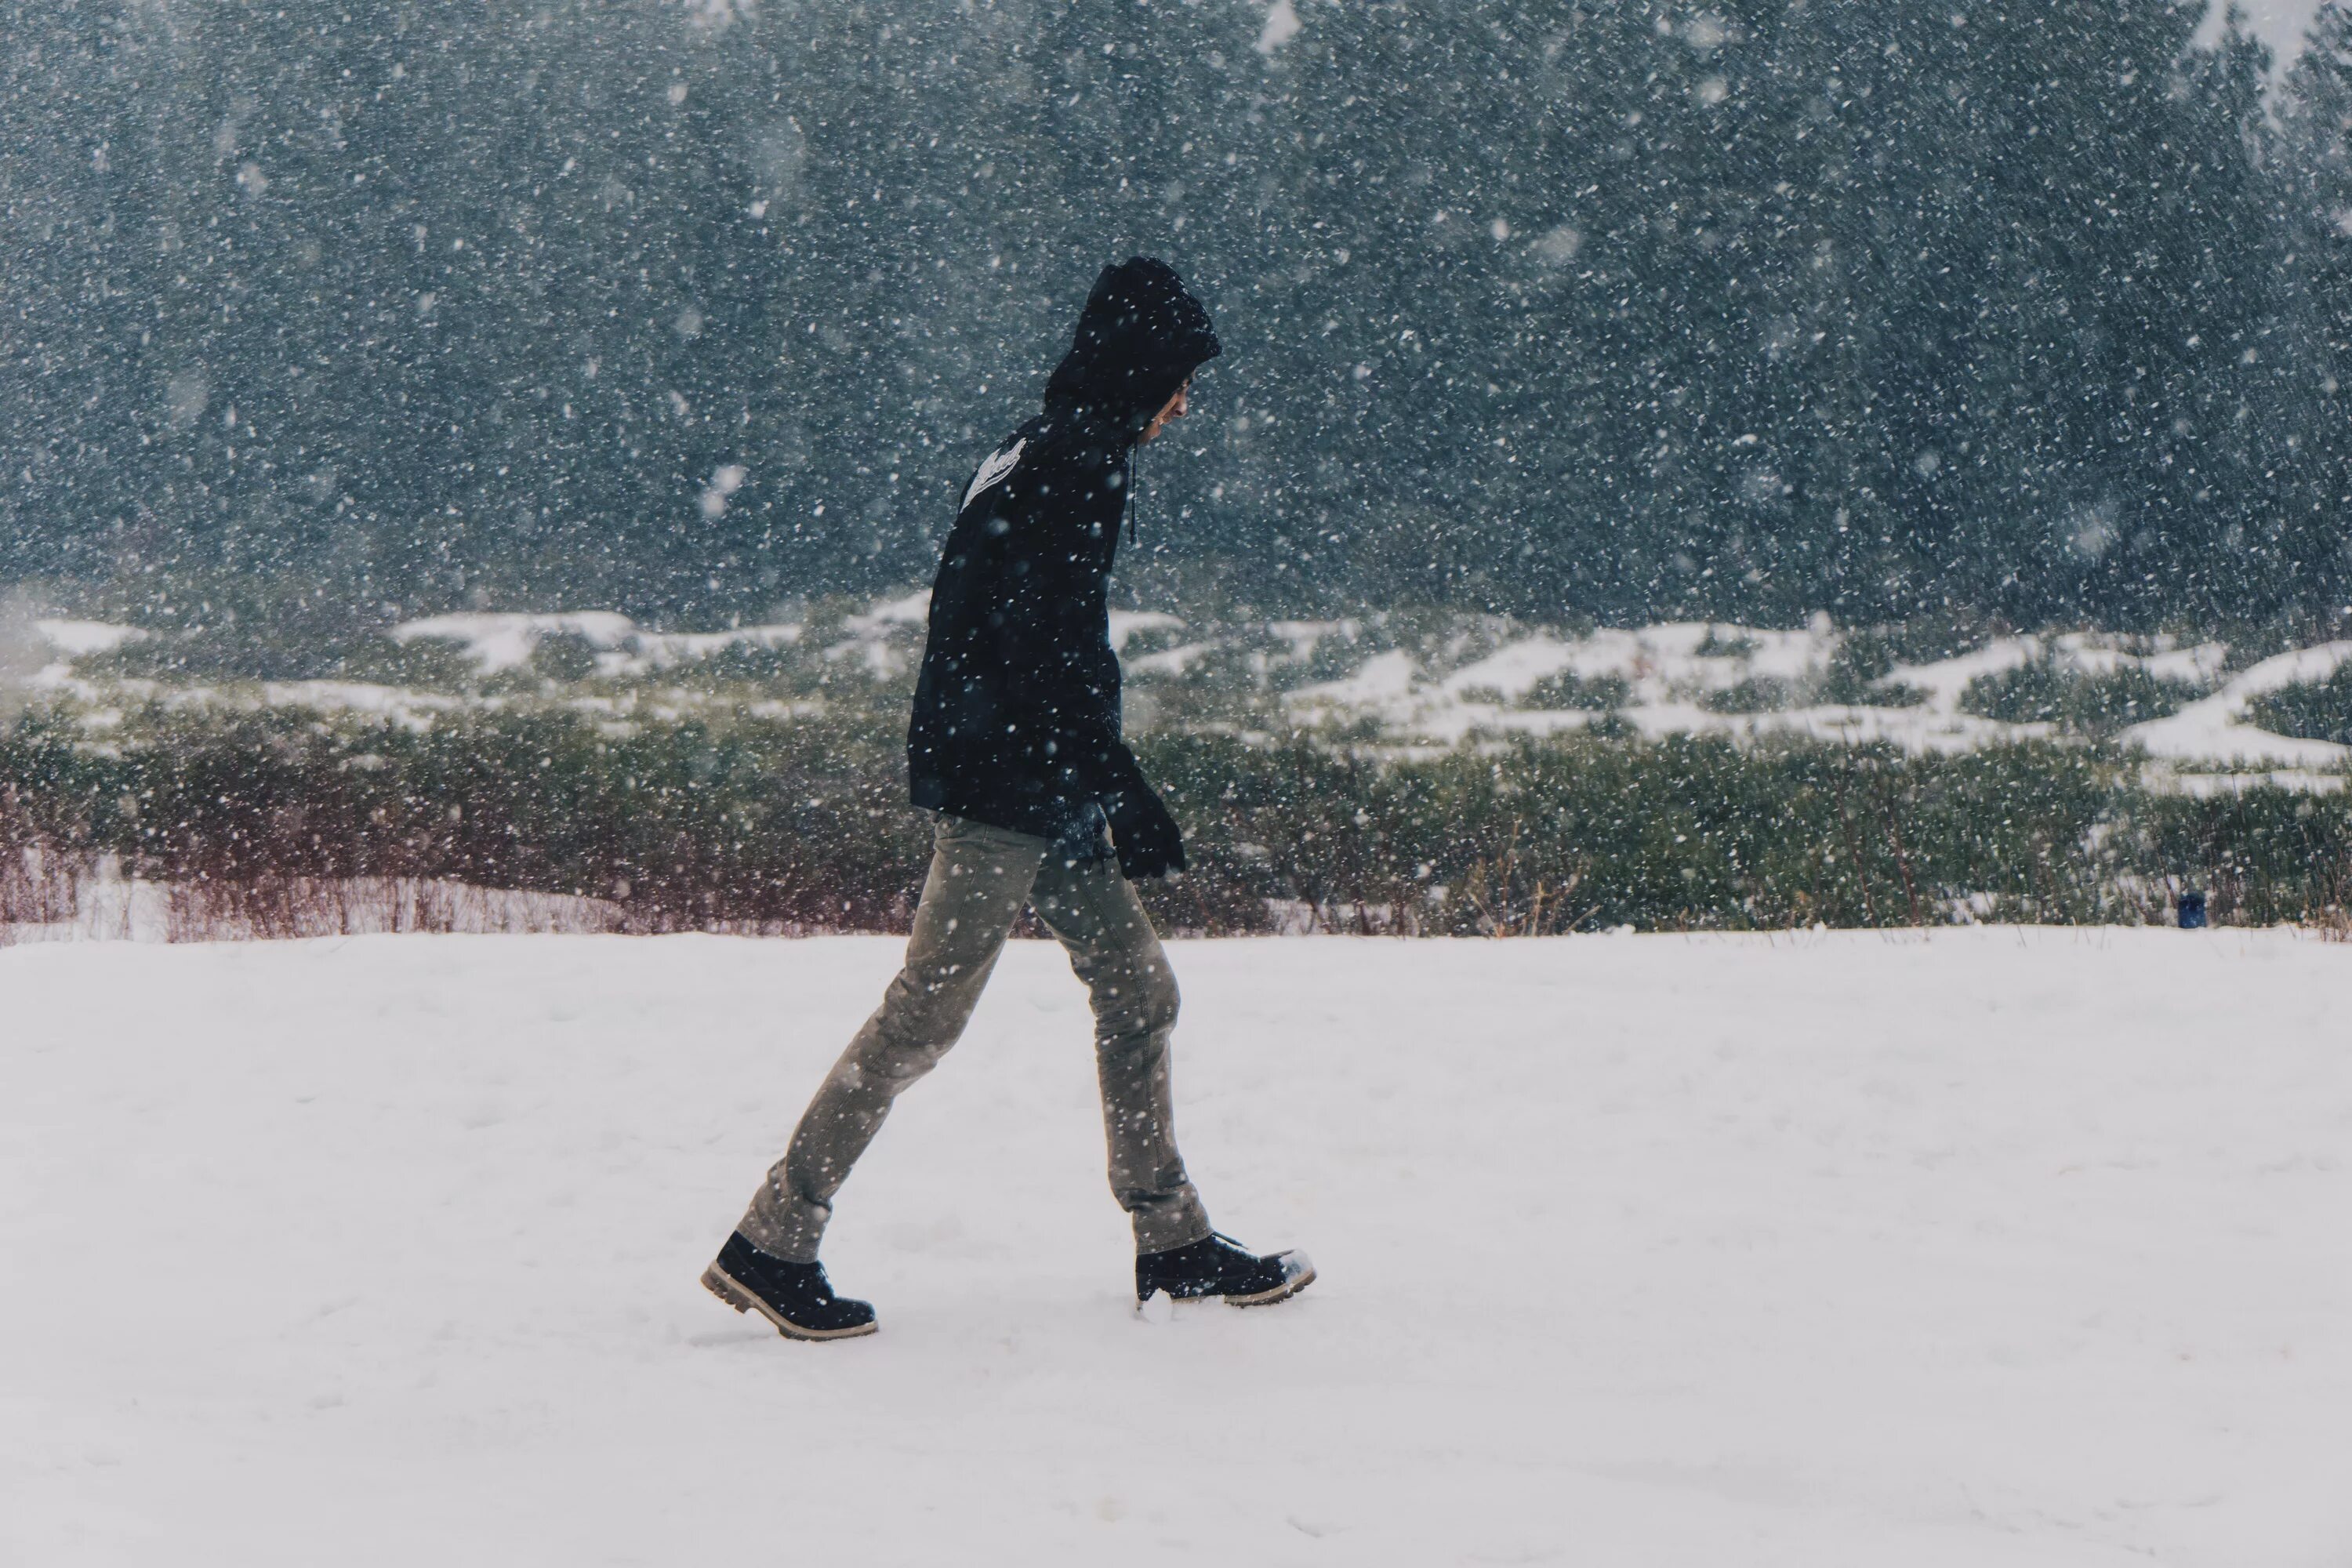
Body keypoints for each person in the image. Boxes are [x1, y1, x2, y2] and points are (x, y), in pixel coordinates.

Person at [703, 257, 1313, 1341]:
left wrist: (1096, 779)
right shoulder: (1073, 462)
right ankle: (773, 1238)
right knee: (925, 1014)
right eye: (1178, 378)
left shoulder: (1048, 446)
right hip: (1011, 780)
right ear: (1139, 371)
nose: (1185, 402)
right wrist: (1109, 780)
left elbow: (1024, 637)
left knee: (1138, 989)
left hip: (1039, 771)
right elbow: (1041, 645)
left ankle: (1170, 1240)